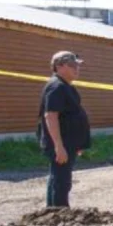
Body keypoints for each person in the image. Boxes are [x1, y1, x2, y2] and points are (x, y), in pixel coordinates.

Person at [39, 51, 91, 207]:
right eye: (73, 65)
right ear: (59, 66)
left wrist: (78, 144)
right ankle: (60, 214)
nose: (77, 69)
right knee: (61, 181)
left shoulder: (66, 86)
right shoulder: (56, 87)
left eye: (78, 65)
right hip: (61, 143)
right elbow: (51, 116)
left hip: (69, 143)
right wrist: (58, 146)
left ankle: (53, 211)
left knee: (59, 178)